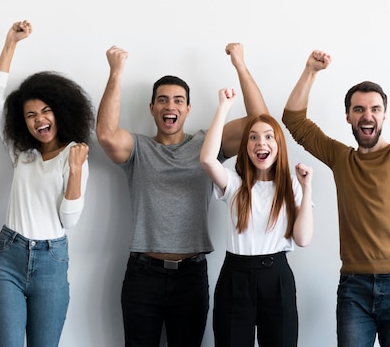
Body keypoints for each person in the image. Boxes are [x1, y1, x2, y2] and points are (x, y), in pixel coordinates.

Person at [282, 49, 390, 347]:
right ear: (348, 116)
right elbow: (293, 121)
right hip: (354, 286)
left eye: (375, 109)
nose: (367, 115)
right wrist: (310, 70)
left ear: (384, 115)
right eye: (359, 109)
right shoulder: (340, 158)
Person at [96, 43, 266, 346]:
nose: (169, 106)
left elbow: (262, 123)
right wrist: (116, 72)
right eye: (162, 100)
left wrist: (240, 64)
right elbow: (107, 134)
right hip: (142, 274)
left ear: (187, 109)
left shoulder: (207, 145)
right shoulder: (138, 148)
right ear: (152, 109)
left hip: (191, 275)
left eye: (177, 100)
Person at [0, 20, 94, 347]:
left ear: (60, 112)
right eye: (31, 115)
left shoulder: (74, 155)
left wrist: (75, 171)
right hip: (9, 256)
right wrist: (10, 43)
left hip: (52, 261)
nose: (39, 120)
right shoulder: (22, 153)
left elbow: (70, 220)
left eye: (46, 111)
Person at [201, 87, 314, 347]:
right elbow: (207, 159)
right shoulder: (234, 183)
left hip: (277, 278)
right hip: (235, 277)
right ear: (246, 147)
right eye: (253, 138)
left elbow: (303, 238)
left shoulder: (291, 186)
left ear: (278, 145)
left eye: (268, 137)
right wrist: (223, 107)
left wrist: (306, 189)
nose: (261, 143)